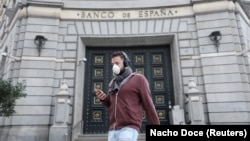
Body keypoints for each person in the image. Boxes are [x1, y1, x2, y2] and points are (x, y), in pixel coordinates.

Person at [95, 51, 160, 141]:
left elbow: (148, 104)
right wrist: (104, 99)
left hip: (129, 127)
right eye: (113, 64)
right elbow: (110, 104)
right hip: (113, 128)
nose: (114, 66)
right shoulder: (113, 82)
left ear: (125, 63)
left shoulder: (139, 79)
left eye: (117, 63)